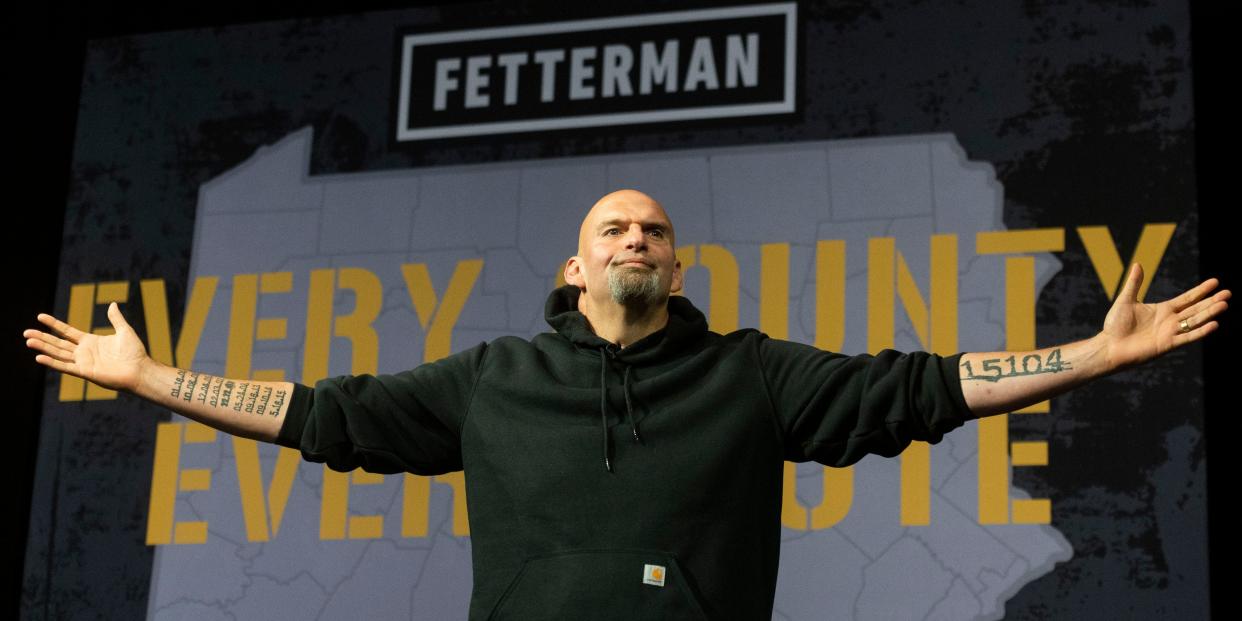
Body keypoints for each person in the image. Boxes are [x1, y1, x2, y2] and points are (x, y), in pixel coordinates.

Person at [24, 189, 1229, 619]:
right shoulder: (492, 381)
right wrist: (148, 381)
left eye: (654, 229)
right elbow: (316, 415)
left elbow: (915, 391)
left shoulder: (750, 373)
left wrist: (1088, 358)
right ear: (576, 267)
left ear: (676, 267)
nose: (636, 238)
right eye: (613, 227)